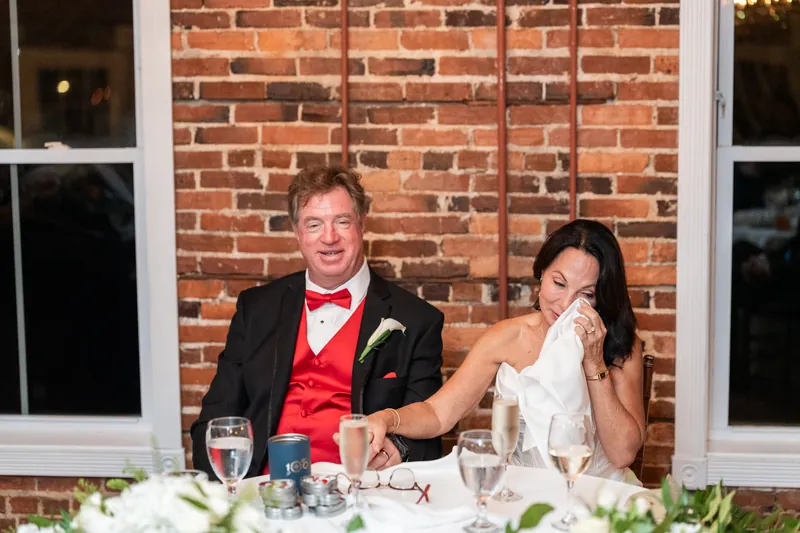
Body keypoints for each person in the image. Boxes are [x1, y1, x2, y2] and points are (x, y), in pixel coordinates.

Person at [191, 166, 445, 479]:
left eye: (342, 221)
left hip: (361, 491)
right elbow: (216, 419)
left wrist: (400, 449)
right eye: (314, 224)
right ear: (297, 232)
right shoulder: (256, 308)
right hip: (263, 487)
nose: (329, 237)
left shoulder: (417, 319)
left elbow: (431, 432)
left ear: (361, 224)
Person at [364, 219, 645, 480]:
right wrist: (387, 418)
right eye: (558, 283)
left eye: (586, 294)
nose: (566, 303)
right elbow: (439, 414)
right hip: (522, 494)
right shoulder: (507, 336)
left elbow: (622, 454)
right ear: (541, 274)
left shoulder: (621, 345)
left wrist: (594, 361)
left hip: (599, 500)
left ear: (602, 298)